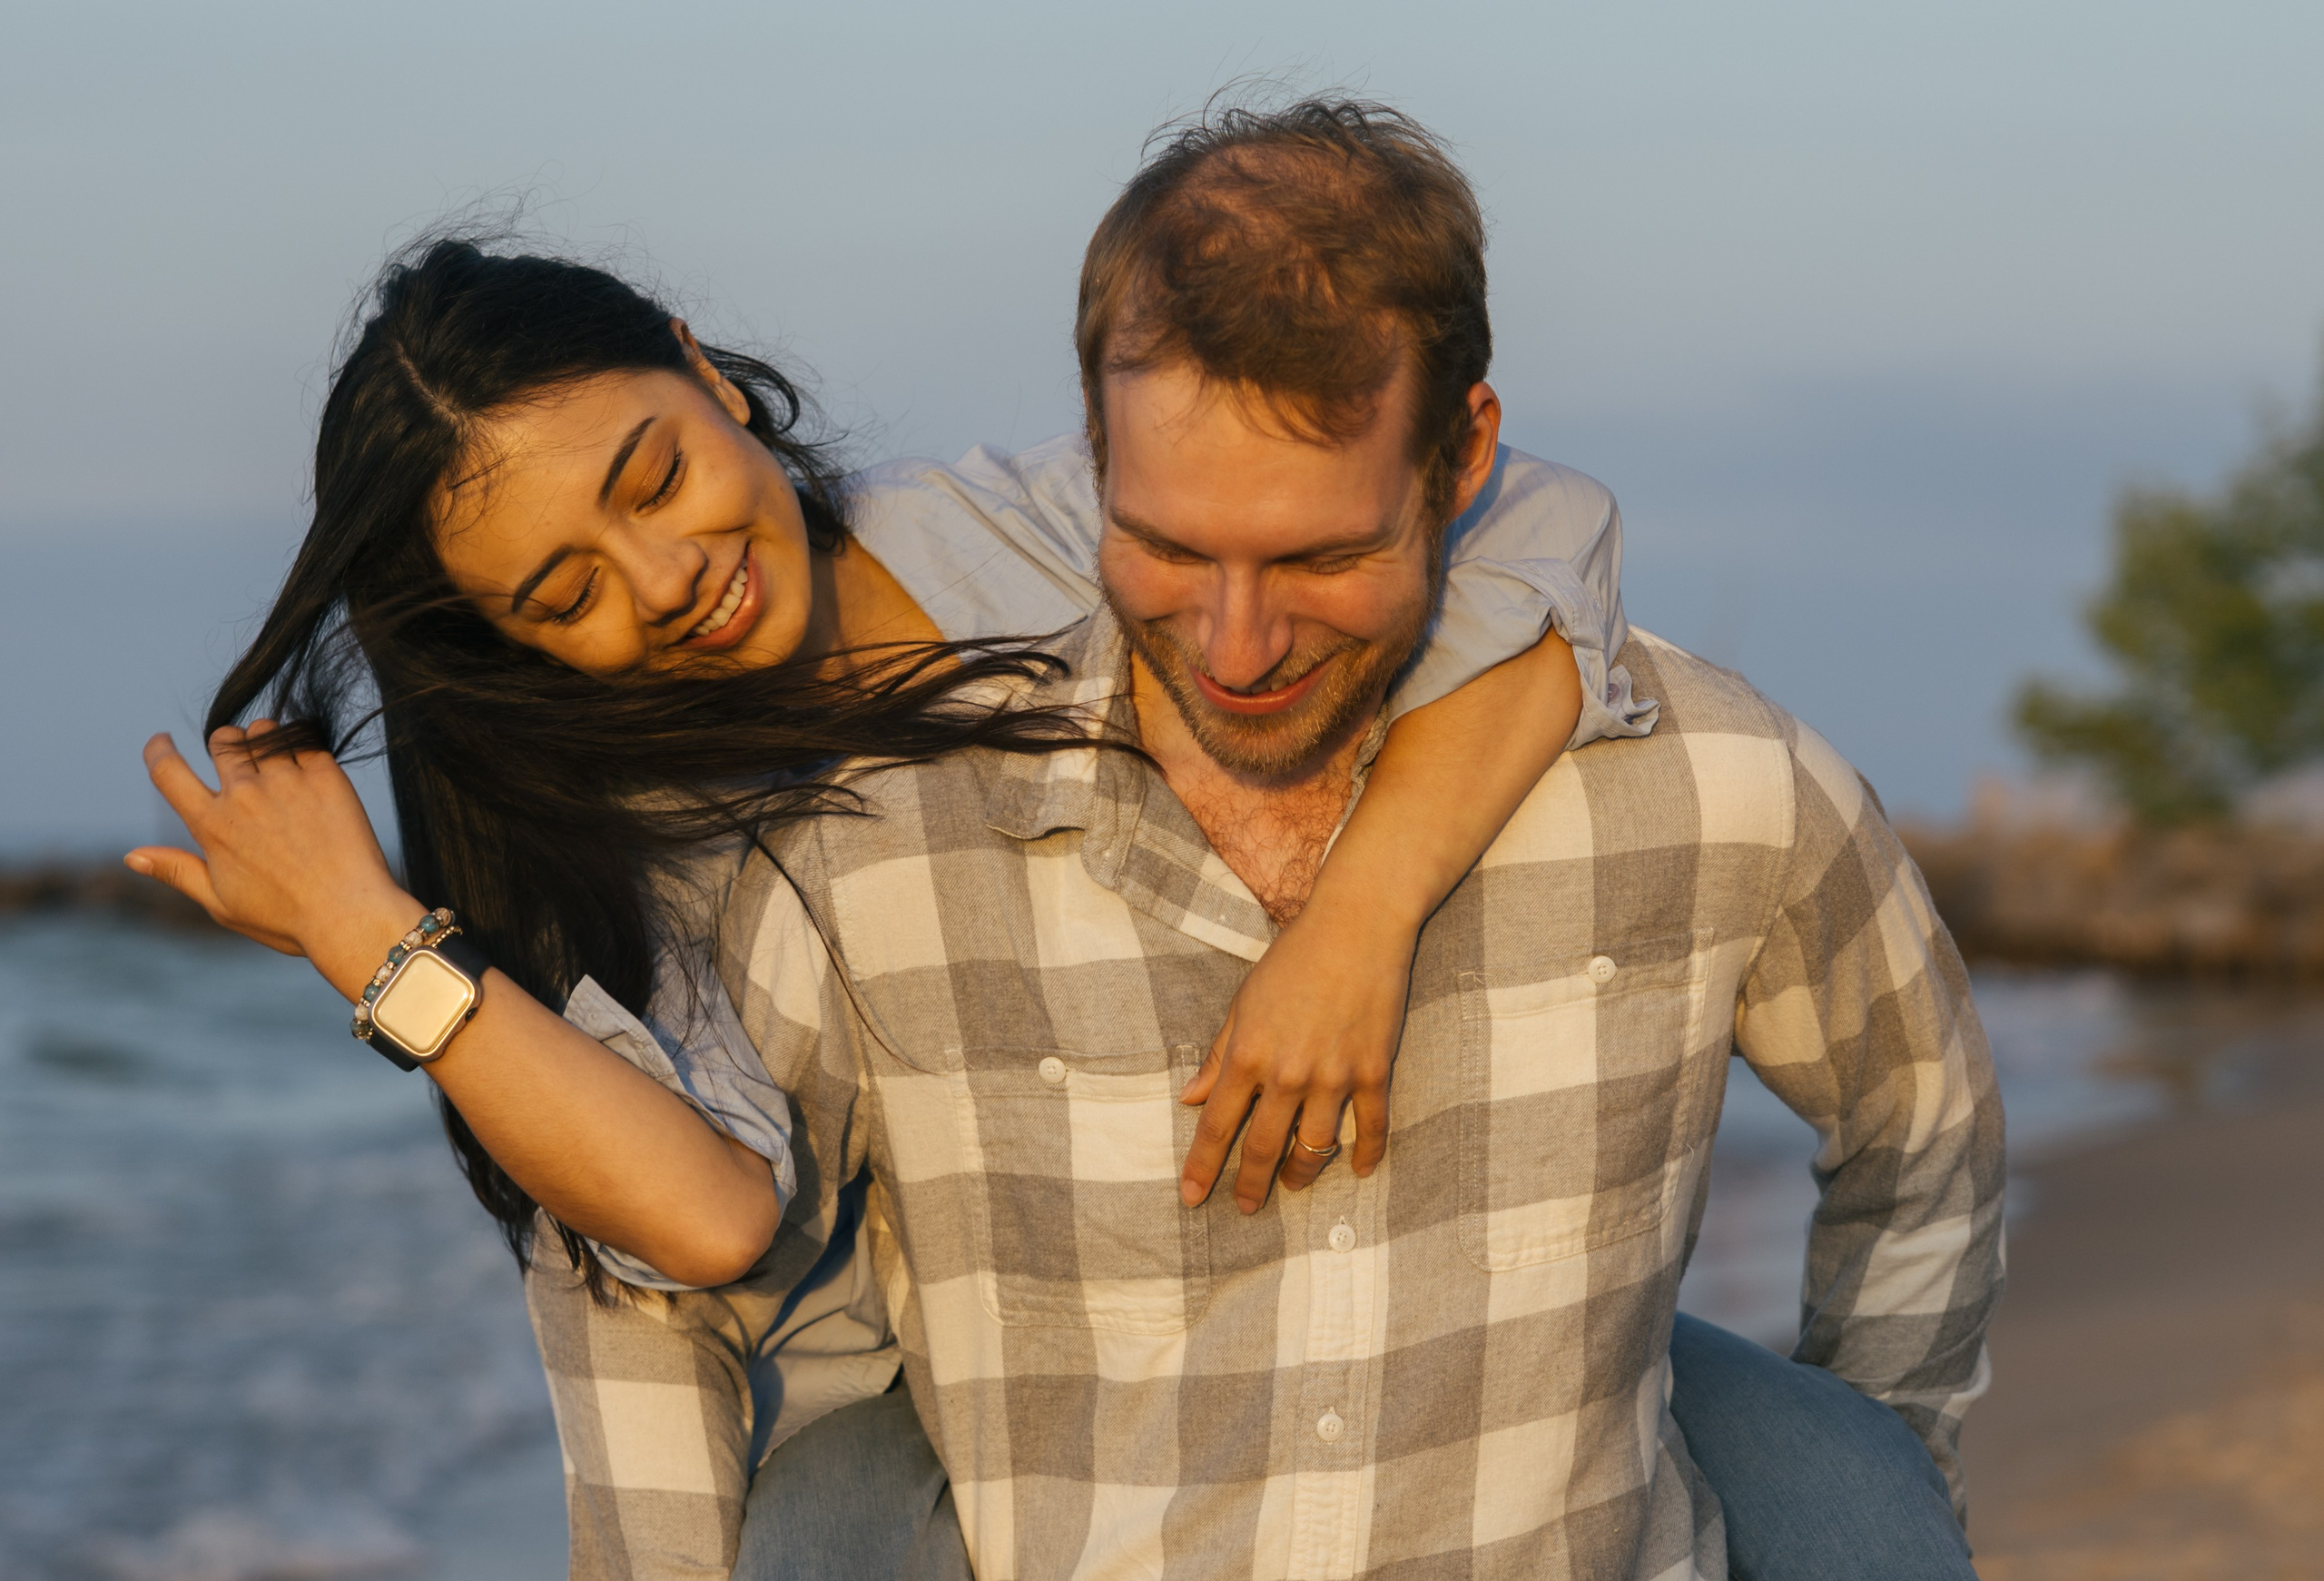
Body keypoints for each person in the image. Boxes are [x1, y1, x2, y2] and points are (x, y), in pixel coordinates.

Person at [128, 109, 1986, 1581]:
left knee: (1843, 1496)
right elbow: (673, 1250)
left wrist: (1356, 913)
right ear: (504, 639)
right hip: (925, 1407)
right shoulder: (639, 842)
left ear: (699, 366)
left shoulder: (1029, 532)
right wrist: (380, 941)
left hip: (1265, 1323)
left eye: (651, 476)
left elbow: (1533, 541)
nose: (666, 578)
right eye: (563, 592)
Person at [691, 101, 2003, 1578]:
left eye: (1323, 556)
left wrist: (1879, 1485)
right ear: (1091, 456)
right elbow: (699, 1295)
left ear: (1462, 457)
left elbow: (1924, 1118)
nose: (1238, 644)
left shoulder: (1716, 784)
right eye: (1170, 547)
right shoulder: (875, 839)